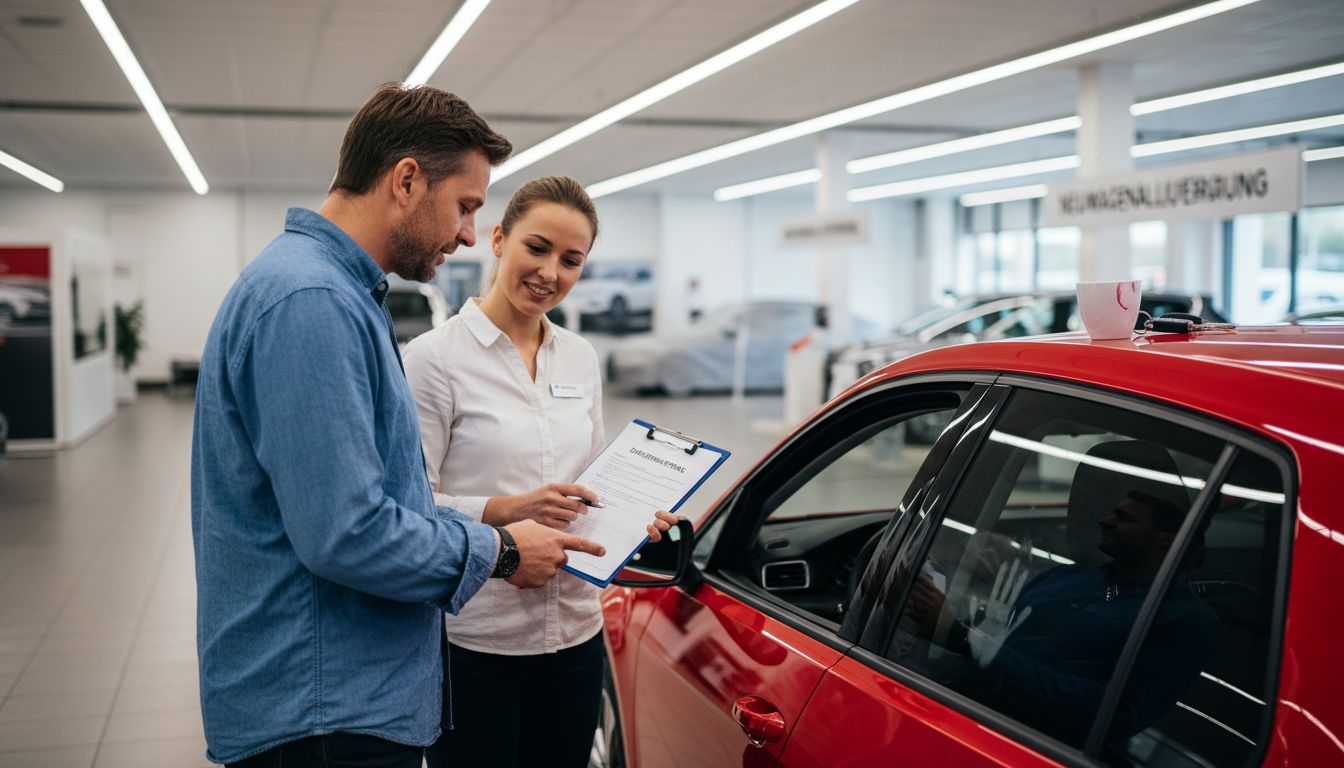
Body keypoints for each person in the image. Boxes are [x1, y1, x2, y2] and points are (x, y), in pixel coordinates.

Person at [191, 85, 606, 768]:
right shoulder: (311, 302)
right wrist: (499, 547)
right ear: (407, 180)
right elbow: (347, 532)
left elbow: (379, 500)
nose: (469, 232)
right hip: (322, 706)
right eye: (466, 206)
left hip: (336, 697)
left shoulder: (332, 293)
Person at [405, 175, 675, 768]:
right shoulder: (432, 361)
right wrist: (506, 510)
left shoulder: (580, 357)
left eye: (571, 260)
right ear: (498, 239)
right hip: (475, 641)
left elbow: (596, 479)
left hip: (576, 633)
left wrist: (635, 510)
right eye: (537, 247)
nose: (551, 272)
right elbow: (409, 509)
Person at [907, 488, 1219, 748]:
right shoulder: (1066, 576)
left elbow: (1112, 715)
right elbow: (988, 628)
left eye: (1124, 517)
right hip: (958, 716)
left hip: (1032, 747)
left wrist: (966, 640)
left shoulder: (1186, 621)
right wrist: (923, 604)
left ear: (1167, 538)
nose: (1105, 520)